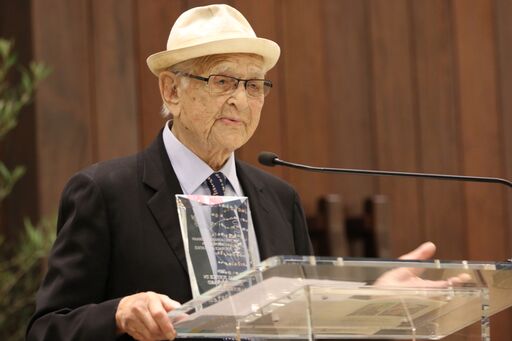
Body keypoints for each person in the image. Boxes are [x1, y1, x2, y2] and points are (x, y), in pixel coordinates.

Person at [26, 4, 443, 341]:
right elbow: (46, 328)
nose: (242, 101)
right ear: (172, 89)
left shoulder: (279, 199)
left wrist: (373, 297)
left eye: (255, 85)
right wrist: (117, 314)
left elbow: (306, 318)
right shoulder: (105, 192)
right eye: (224, 81)